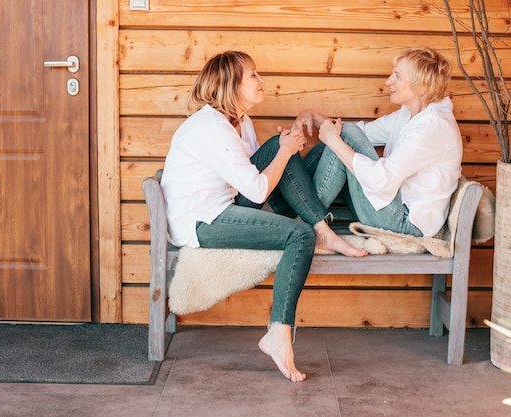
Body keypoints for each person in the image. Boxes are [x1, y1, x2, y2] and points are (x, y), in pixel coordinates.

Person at [160, 51, 366, 383]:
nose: (261, 80)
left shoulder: (240, 122)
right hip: (202, 221)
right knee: (299, 236)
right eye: (253, 75)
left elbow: (263, 178)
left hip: (226, 204)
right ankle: (278, 332)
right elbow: (258, 191)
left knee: (275, 148)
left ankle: (319, 227)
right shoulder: (212, 127)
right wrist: (286, 152)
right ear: (231, 85)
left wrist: (286, 149)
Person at [294, 46, 463, 238]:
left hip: (407, 224)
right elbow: (362, 133)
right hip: (390, 207)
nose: (388, 81)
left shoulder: (433, 126)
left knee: (342, 137)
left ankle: (303, 219)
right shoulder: (410, 115)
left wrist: (334, 140)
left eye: (397, 76)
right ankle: (294, 208)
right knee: (343, 136)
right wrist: (311, 116)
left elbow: (382, 181)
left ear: (421, 86)